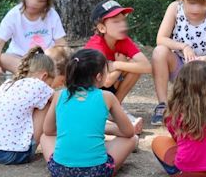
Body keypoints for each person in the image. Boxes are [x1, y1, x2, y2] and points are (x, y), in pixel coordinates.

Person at [41, 49, 137, 177]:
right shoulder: (107, 97)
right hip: (96, 172)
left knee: (44, 137)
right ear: (98, 76)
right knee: (132, 139)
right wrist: (111, 129)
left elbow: (48, 131)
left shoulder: (59, 95)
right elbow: (129, 132)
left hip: (61, 171)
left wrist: (72, 131)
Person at [151, 0, 206, 125]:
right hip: (178, 66)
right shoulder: (175, 8)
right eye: (192, 3)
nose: (196, 9)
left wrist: (202, 60)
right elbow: (160, 39)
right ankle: (163, 105)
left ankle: (204, 110)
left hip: (200, 69)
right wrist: (183, 47)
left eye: (202, 4)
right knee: (159, 52)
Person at [152, 61, 206, 175]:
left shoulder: (174, 111)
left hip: (186, 173)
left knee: (158, 142)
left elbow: (176, 139)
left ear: (180, 85)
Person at [0, 46, 55, 165]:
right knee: (49, 103)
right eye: (50, 83)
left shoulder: (7, 84)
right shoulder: (39, 84)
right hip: (14, 155)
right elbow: (59, 102)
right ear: (44, 76)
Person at [85, 0, 151, 132]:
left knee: (134, 67)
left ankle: (115, 109)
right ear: (102, 28)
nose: (122, 25)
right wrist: (123, 65)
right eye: (116, 22)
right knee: (130, 66)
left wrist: (117, 64)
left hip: (108, 90)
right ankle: (110, 116)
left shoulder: (122, 40)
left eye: (123, 20)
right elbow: (107, 81)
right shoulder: (96, 46)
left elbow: (147, 66)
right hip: (91, 96)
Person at [0, 0, 67, 76]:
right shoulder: (14, 15)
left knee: (60, 55)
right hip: (20, 60)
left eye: (41, 1)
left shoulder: (51, 15)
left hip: (45, 60)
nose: (35, 3)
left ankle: (35, 75)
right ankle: (32, 75)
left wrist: (63, 58)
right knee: (3, 58)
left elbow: (61, 43)